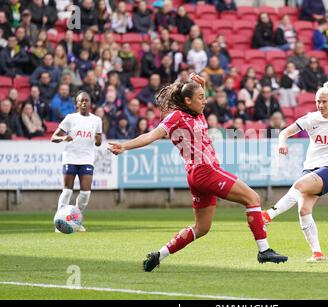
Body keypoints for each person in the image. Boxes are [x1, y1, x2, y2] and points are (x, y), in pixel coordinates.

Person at [108, 74, 288, 272]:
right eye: (201, 97)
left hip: (197, 175)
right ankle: (264, 250)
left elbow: (199, 97)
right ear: (187, 101)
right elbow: (151, 135)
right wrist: (125, 147)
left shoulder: (197, 112)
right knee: (253, 198)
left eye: (204, 96)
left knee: (201, 228)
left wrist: (202, 85)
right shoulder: (176, 117)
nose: (205, 101)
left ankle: (159, 254)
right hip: (205, 170)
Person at [262, 82, 328, 262]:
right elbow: (284, 133)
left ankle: (268, 215)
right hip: (310, 168)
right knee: (303, 210)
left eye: (324, 101)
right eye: (318, 101)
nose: (320, 105)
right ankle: (317, 253)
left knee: (299, 185)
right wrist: (282, 143)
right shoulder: (311, 118)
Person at [51, 91, 102, 232]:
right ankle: (59, 221)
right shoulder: (70, 118)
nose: (84, 103)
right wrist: (63, 138)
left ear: (90, 103)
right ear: (77, 104)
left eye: (87, 100)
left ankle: (75, 219)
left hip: (87, 159)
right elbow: (53, 137)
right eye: (82, 101)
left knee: (86, 193)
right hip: (70, 158)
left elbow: (98, 142)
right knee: (67, 191)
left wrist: (98, 139)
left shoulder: (97, 120)